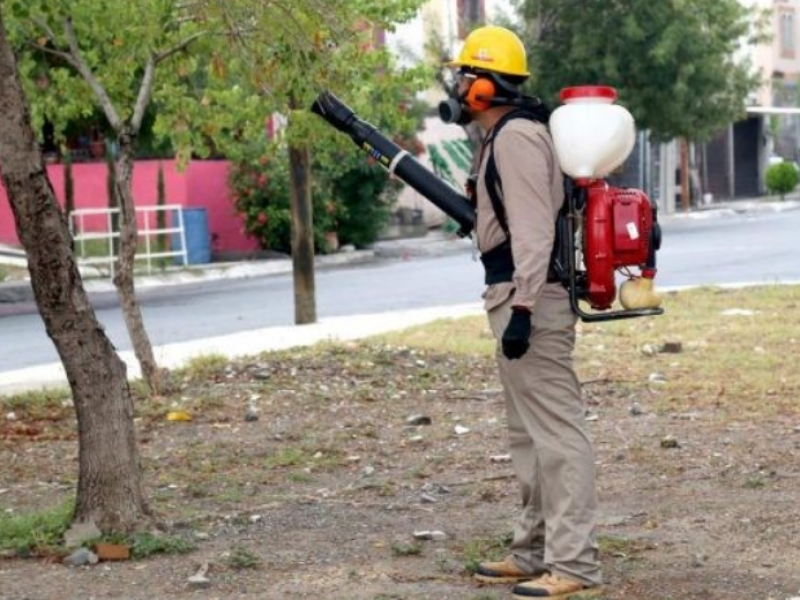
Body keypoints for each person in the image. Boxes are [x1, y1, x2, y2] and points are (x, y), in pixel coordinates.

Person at [442, 25, 602, 599]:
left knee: (557, 437)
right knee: (528, 438)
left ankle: (575, 566)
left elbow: (534, 234)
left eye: (463, 76)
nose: (457, 88)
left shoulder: (515, 138)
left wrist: (525, 310)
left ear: (484, 86)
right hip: (512, 295)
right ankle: (533, 552)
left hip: (529, 298)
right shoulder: (498, 139)